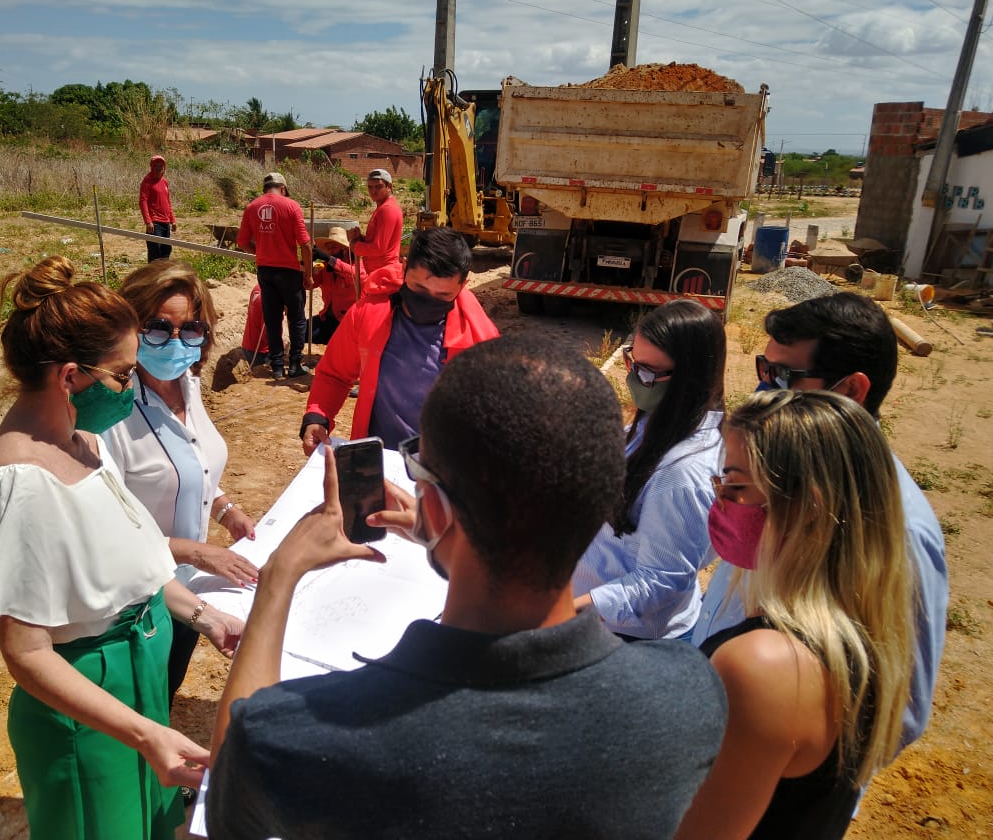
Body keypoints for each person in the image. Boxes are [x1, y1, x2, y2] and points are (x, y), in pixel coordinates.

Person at [209, 334, 727, 840]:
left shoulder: (305, 736)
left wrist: (278, 576)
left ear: (434, 505)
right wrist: (444, 531)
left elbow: (233, 785)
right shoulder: (688, 695)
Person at [0, 256, 244, 840]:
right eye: (121, 374)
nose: (131, 388)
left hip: (140, 683)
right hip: (87, 715)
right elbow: (28, 654)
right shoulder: (16, 485)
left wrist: (207, 617)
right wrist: (145, 733)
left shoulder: (85, 444)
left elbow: (134, 567)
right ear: (68, 376)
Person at [692, 291, 948, 752]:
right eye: (763, 370)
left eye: (784, 376)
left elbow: (899, 708)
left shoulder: (895, 528)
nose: (765, 389)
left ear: (850, 390)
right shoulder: (771, 476)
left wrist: (770, 754)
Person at [675, 389, 914, 839]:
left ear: (809, 509)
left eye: (736, 486)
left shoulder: (763, 666)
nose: (720, 499)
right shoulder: (863, 634)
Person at [102, 258, 259, 707]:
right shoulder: (110, 411)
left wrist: (226, 510)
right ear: (129, 327)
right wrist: (197, 550)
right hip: (135, 603)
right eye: (157, 328)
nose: (175, 342)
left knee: (163, 694)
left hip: (189, 588)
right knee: (136, 710)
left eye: (191, 328)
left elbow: (195, 465)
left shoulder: (188, 384)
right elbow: (108, 528)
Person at [572, 299, 726, 639]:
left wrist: (562, 613)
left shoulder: (682, 474)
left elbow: (660, 582)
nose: (633, 379)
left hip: (623, 637)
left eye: (647, 372)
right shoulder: (657, 425)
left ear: (689, 379)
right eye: (632, 361)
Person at [300, 227, 498, 453]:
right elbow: (335, 374)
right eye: (419, 288)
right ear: (404, 268)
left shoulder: (479, 339)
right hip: (379, 463)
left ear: (463, 285)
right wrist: (318, 416)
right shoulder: (368, 314)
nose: (428, 301)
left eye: (443, 295)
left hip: (446, 472)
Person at [237, 171, 313, 379]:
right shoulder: (291, 206)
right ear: (283, 188)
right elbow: (305, 244)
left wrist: (260, 251)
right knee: (297, 317)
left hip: (265, 271)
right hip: (288, 270)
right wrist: (309, 273)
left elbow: (242, 242)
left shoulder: (252, 207)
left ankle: (277, 366)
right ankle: (295, 364)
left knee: (272, 317)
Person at [348, 167, 403, 277]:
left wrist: (356, 247)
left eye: (378, 186)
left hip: (383, 273)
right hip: (379, 272)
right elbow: (380, 241)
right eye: (370, 187)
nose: (373, 191)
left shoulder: (387, 209)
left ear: (389, 187)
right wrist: (362, 239)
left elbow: (379, 248)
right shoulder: (383, 208)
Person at [308, 226, 358, 343]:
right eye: (328, 248)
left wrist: (329, 259)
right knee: (302, 332)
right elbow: (310, 284)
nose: (330, 251)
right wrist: (306, 267)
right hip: (327, 319)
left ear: (344, 249)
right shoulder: (326, 268)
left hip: (347, 322)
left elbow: (355, 275)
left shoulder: (355, 265)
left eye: (334, 248)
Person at [140, 154, 176, 262]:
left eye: (161, 165)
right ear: (152, 167)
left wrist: (172, 220)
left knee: (166, 250)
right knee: (155, 250)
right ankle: (153, 276)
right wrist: (148, 221)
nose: (159, 168)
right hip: (155, 223)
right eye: (156, 165)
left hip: (165, 222)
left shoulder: (165, 182)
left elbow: (167, 202)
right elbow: (143, 201)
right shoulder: (147, 181)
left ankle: (163, 276)